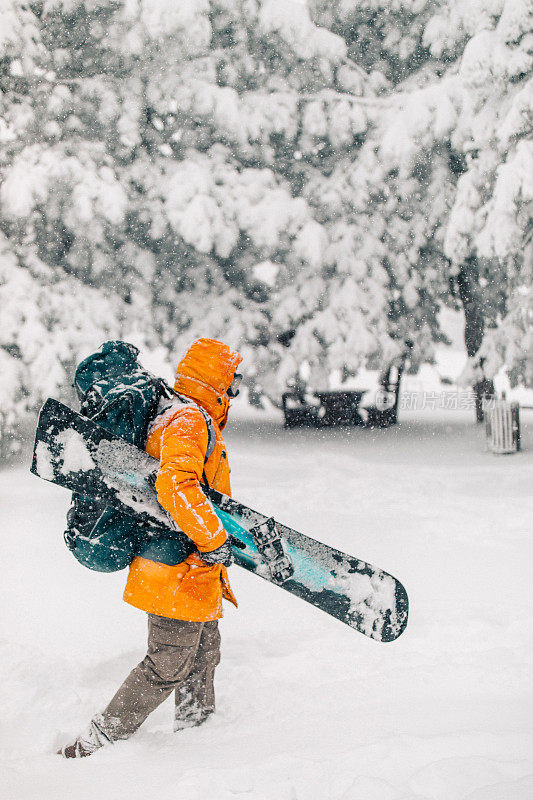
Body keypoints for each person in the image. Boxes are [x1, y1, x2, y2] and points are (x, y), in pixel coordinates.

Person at [59, 338, 243, 758]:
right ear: (214, 382)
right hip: (174, 567)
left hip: (192, 566)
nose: (233, 392)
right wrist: (213, 538)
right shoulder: (187, 421)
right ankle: (96, 741)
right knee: (167, 664)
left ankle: (198, 732)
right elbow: (175, 486)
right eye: (230, 383)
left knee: (203, 653)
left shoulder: (183, 417)